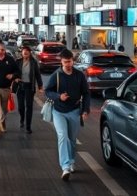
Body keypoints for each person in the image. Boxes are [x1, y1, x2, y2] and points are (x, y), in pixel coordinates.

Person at [45, 49, 90, 181]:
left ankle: (71, 161)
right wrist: (59, 96)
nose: (68, 64)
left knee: (72, 139)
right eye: (65, 62)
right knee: (62, 137)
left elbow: (86, 93)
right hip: (59, 111)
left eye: (70, 61)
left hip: (75, 111)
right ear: (61, 62)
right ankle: (65, 166)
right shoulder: (56, 75)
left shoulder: (79, 75)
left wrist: (85, 110)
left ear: (73, 60)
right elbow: (47, 91)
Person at [13, 46, 43, 134]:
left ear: (30, 53)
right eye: (24, 51)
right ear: (21, 52)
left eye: (27, 51)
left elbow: (37, 74)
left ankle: (28, 126)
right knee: (21, 107)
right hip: (20, 86)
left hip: (30, 87)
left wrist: (40, 86)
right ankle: (22, 118)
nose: (25, 52)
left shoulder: (33, 62)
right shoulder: (18, 62)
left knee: (29, 107)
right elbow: (13, 72)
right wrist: (15, 78)